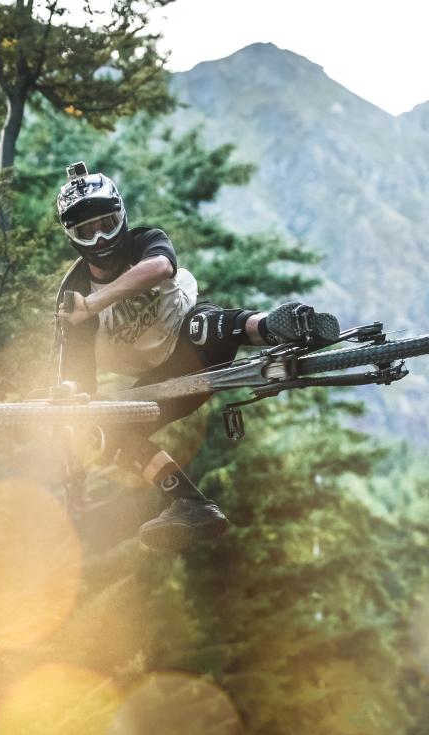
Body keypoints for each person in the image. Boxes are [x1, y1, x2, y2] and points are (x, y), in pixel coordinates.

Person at [52, 161, 339, 551]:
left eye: (106, 222)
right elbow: (77, 390)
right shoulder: (71, 299)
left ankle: (280, 327)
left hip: (195, 339)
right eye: (86, 230)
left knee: (209, 323)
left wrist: (95, 302)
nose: (100, 237)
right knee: (112, 431)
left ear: (121, 216)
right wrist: (74, 470)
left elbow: (160, 267)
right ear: (72, 235)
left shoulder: (144, 242)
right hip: (160, 378)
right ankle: (191, 505)